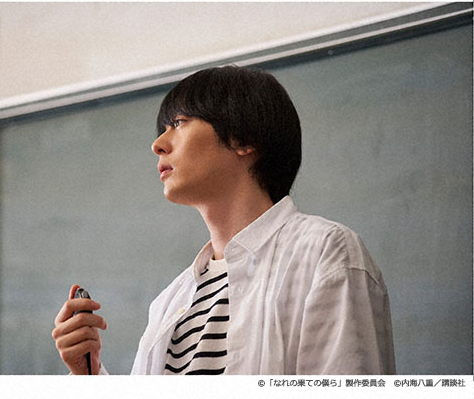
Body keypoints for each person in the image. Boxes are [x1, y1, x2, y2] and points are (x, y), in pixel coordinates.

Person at [52, 65, 396, 375]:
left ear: (244, 138)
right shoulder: (170, 302)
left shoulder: (324, 253)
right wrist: (89, 376)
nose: (158, 144)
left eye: (179, 123)